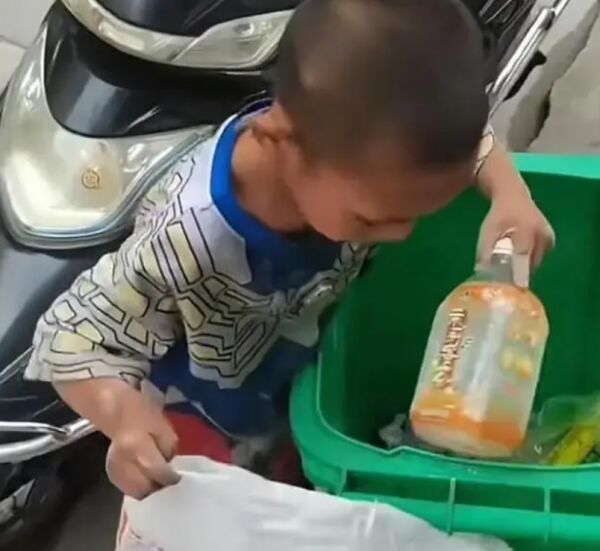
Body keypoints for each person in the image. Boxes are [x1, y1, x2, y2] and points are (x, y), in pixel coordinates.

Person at [26, 0, 553, 503]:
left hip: (295, 377)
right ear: (280, 139)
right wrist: (124, 421)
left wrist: (511, 194)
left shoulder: (368, 147)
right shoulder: (190, 236)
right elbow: (72, 336)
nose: (401, 234)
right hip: (210, 421)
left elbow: (472, 143)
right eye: (374, 219)